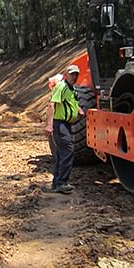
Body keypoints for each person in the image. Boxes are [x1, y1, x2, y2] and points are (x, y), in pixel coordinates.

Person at [45, 64, 84, 193]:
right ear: (66, 75)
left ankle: (56, 184)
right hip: (59, 123)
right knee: (68, 151)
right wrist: (49, 125)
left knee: (62, 153)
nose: (74, 77)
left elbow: (72, 102)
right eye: (72, 74)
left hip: (66, 124)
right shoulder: (61, 87)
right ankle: (62, 183)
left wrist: (78, 109)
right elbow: (51, 105)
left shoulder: (72, 89)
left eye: (76, 74)